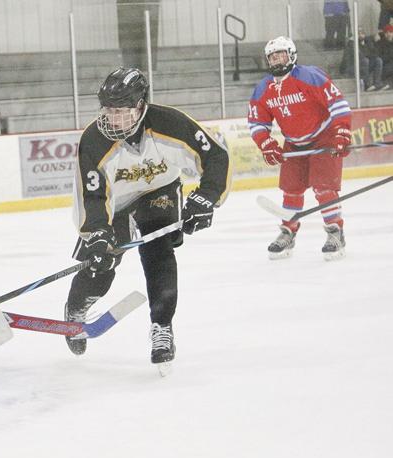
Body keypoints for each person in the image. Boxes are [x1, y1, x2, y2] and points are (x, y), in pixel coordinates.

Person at [64, 67, 230, 369]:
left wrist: (207, 196)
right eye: (108, 110)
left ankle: (162, 327)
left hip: (159, 190)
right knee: (102, 265)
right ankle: (76, 306)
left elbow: (216, 156)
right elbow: (92, 196)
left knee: (159, 252)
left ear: (141, 105)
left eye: (120, 111)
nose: (112, 118)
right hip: (116, 202)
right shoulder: (94, 139)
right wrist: (98, 234)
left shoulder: (170, 123)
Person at [248, 36, 352, 261]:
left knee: (324, 189)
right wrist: (266, 143)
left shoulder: (309, 76)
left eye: (281, 55)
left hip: (323, 137)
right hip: (294, 142)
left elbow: (338, 103)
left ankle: (335, 232)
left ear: (292, 55)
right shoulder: (264, 88)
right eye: (272, 57)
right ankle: (288, 232)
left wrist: (342, 131)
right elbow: (257, 122)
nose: (276, 60)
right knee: (291, 189)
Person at [378, 24, 393, 89]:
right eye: (386, 32)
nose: (389, 34)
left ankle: (388, 84)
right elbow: (381, 58)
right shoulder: (381, 43)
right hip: (385, 67)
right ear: (384, 34)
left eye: (390, 32)